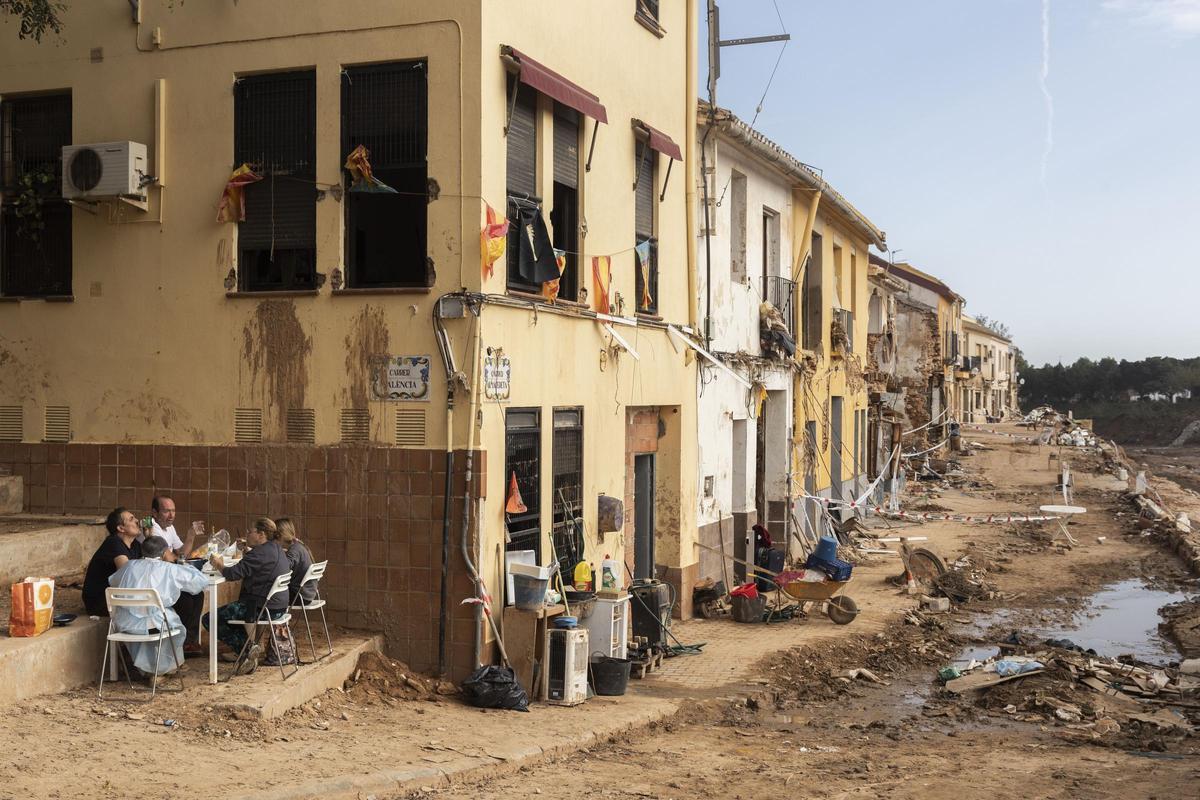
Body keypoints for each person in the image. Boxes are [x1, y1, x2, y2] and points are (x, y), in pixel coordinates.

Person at [107, 535, 208, 678]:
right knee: (172, 620)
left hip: (125, 624)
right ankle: (161, 670)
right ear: (165, 552)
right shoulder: (168, 569)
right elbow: (200, 582)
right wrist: (179, 564)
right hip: (155, 625)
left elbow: (114, 581)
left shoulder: (129, 566)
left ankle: (148, 669)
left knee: (158, 616)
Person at [202, 517, 290, 674]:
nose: (247, 534)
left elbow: (232, 573)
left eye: (250, 532)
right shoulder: (275, 548)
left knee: (209, 618)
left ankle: (247, 649)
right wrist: (247, 551)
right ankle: (248, 649)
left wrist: (218, 563)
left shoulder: (258, 555)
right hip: (279, 607)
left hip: (259, 608)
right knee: (231, 611)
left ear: (261, 534)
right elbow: (259, 561)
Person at [83, 508, 143, 616]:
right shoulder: (113, 542)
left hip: (118, 597)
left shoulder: (135, 545)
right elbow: (127, 575)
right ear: (121, 528)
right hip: (99, 602)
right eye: (131, 519)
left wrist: (150, 536)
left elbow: (152, 564)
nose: (137, 521)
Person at [146, 495, 201, 563]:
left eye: (173, 511)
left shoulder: (169, 527)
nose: (171, 515)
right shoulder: (151, 528)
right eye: (167, 511)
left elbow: (181, 553)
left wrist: (191, 536)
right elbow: (170, 560)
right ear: (155, 513)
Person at [275, 518, 317, 606]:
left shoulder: (294, 551)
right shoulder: (298, 546)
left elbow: (282, 569)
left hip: (299, 596)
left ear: (279, 536)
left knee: (264, 595)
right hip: (308, 594)